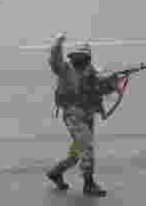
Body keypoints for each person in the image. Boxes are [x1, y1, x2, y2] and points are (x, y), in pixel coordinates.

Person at [46, 34, 120, 197]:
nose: (81, 60)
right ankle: (89, 183)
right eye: (78, 56)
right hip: (72, 115)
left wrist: (113, 84)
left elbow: (100, 89)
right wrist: (58, 44)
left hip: (87, 116)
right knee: (86, 144)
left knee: (77, 152)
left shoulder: (92, 72)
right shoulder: (65, 69)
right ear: (72, 57)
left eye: (84, 57)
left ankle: (56, 172)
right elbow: (53, 60)